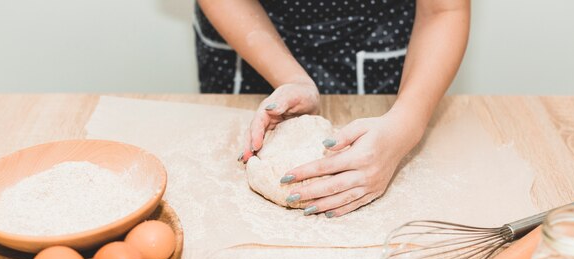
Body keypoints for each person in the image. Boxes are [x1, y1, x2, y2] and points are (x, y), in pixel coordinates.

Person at [194, 0, 470, 217]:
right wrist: (292, 79)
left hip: (377, 37)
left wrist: (406, 122)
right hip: (251, 35)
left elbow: (443, 10)